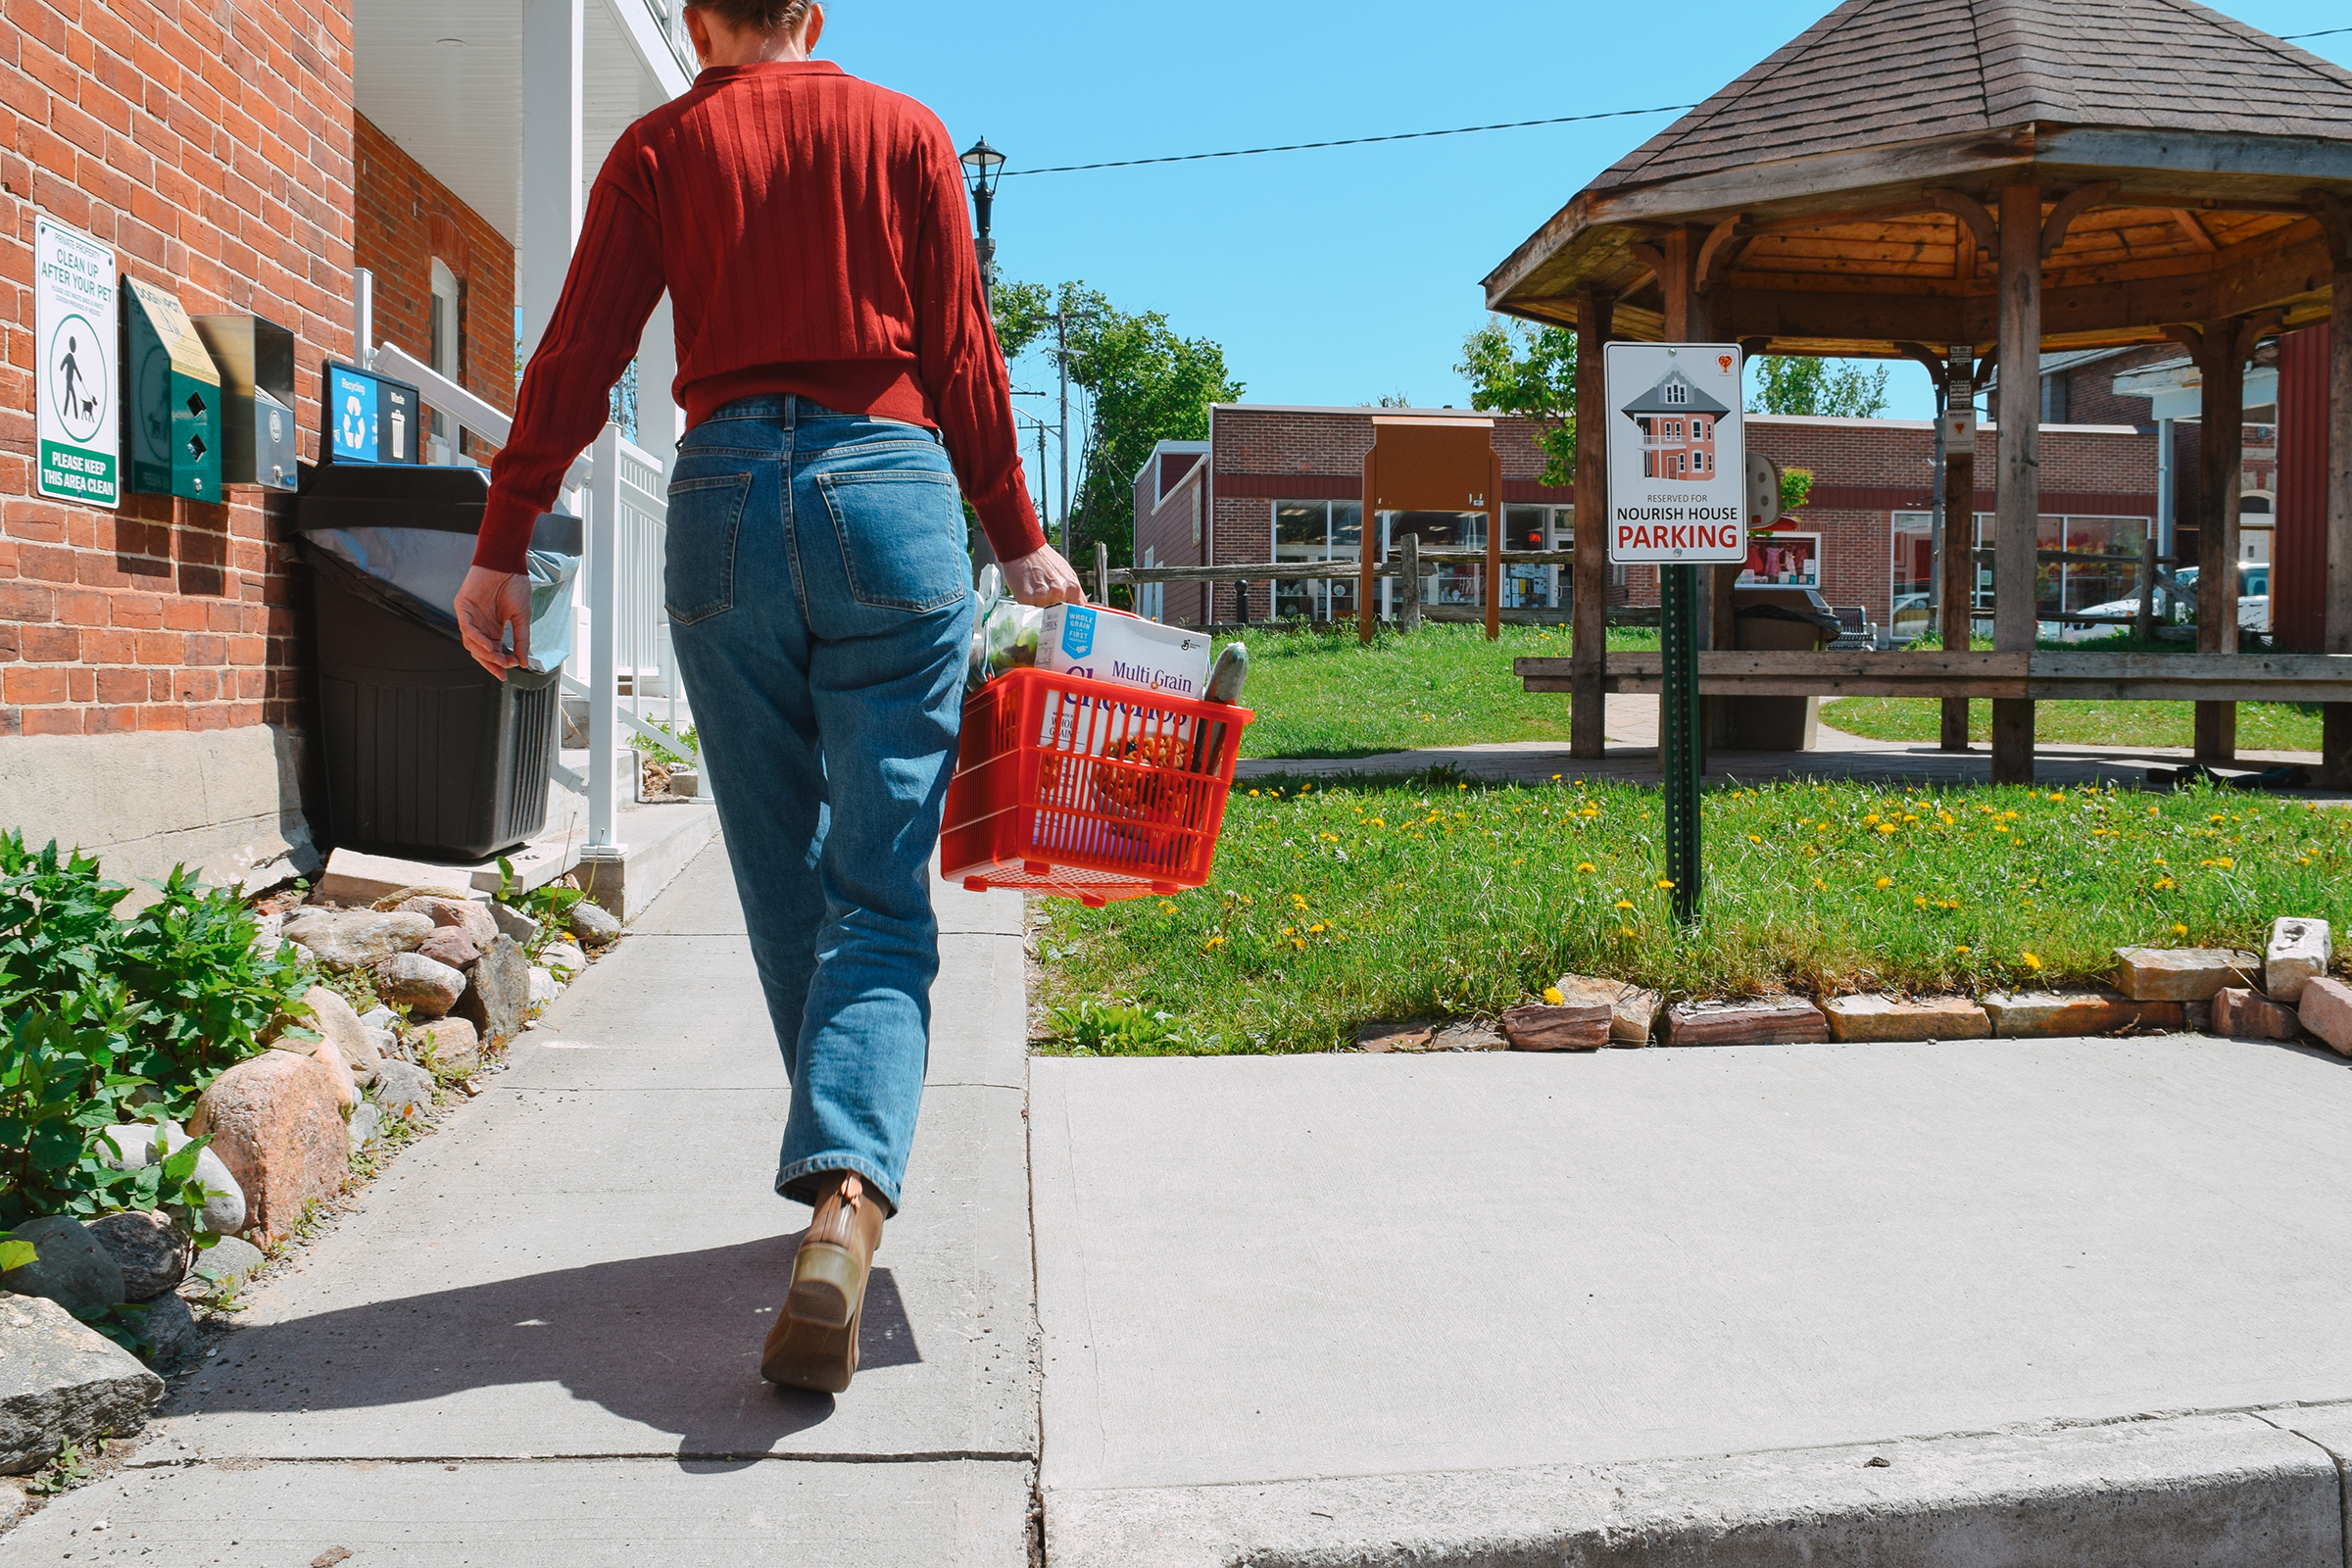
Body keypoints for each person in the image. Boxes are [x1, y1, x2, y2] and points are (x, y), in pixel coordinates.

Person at [452, 0, 1082, 1395]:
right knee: (880, 879)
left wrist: (506, 541)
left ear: (693, 21)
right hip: (895, 499)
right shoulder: (906, 131)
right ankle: (851, 1189)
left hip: (725, 497)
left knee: (783, 872)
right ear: (812, 12)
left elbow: (579, 352)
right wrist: (1018, 528)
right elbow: (966, 350)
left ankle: (839, 1178)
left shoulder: (661, 147)